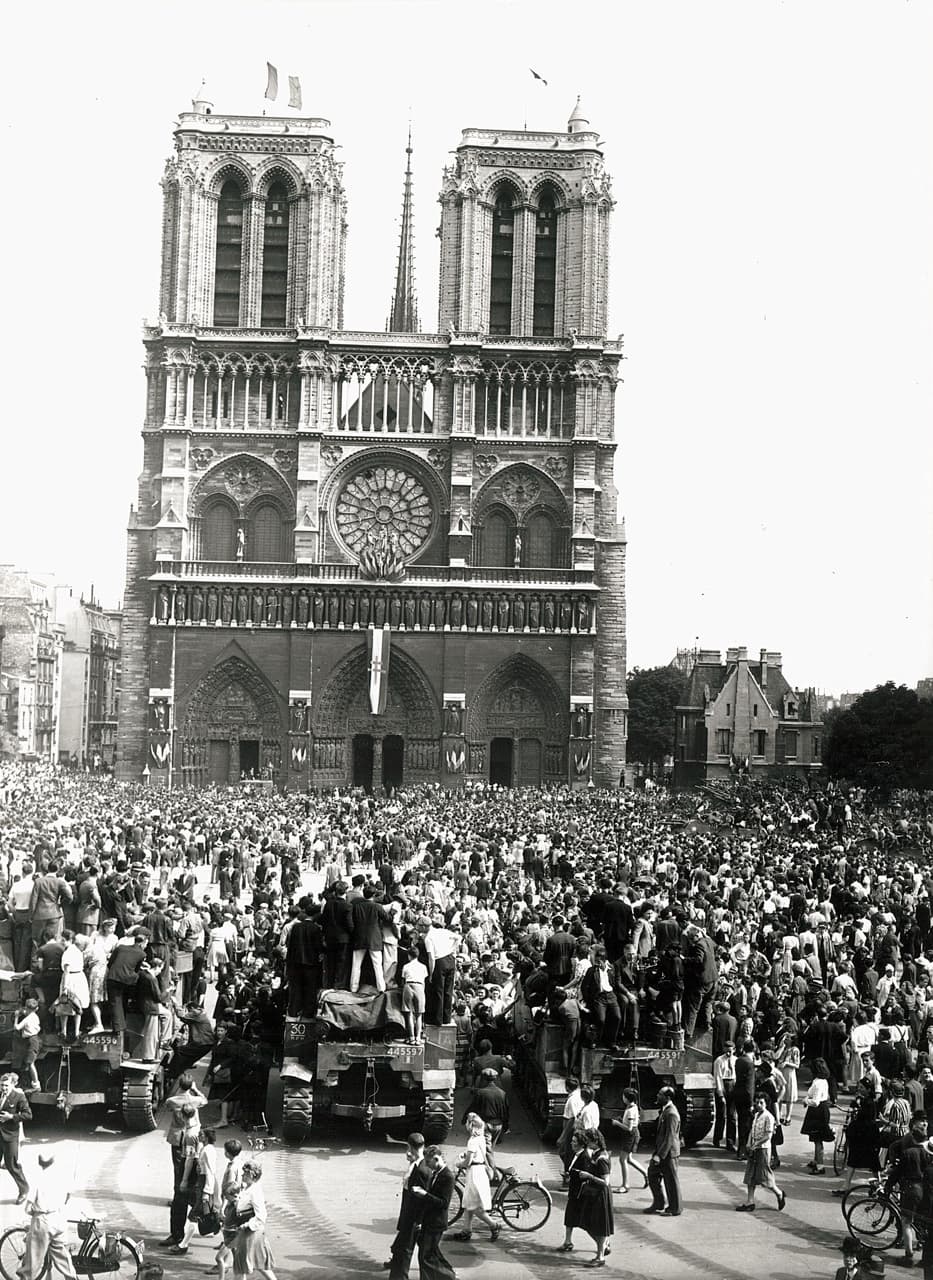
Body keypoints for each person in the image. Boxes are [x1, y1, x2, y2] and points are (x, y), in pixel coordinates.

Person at [557, 1127, 614, 1267]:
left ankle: (601, 1256)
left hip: (601, 1195)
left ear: (595, 1141)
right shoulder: (596, 1154)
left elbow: (606, 1182)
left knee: (598, 1226)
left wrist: (589, 1176)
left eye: (588, 1141)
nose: (587, 1144)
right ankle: (602, 1249)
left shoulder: (601, 1158)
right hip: (595, 1194)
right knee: (591, 1225)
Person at [17, 1151, 76, 1280]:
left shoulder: (38, 1178)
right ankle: (72, 1277)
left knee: (32, 1261)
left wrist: (33, 1211)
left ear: (41, 1164)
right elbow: (68, 1195)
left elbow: (28, 1208)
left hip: (43, 1220)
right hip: (59, 1219)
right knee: (62, 1257)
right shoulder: (63, 1175)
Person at [448, 1114, 500, 1244]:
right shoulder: (481, 1138)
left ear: (470, 1125)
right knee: (469, 1203)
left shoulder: (472, 1141)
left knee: (476, 1207)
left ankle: (494, 1225)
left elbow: (468, 1162)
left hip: (475, 1174)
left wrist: (459, 1164)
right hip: (480, 1171)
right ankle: (467, 1230)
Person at [385, 1132, 430, 1280]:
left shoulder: (422, 1170)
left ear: (410, 1147)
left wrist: (419, 1221)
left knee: (406, 1251)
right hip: (408, 1215)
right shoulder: (417, 1164)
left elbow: (422, 1199)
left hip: (413, 1218)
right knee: (402, 1247)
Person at [411, 1145, 456, 1280]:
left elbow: (443, 1203)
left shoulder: (447, 1176)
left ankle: (448, 1276)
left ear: (436, 1159)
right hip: (429, 1221)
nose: (428, 1166)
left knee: (425, 1257)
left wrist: (424, 1194)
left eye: (429, 1162)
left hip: (436, 1223)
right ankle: (449, 1275)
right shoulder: (436, 1173)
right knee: (432, 1254)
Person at [736, 1094, 786, 1212]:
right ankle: (750, 1202)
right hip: (754, 1149)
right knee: (750, 1176)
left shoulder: (769, 1117)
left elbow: (768, 1136)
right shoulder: (756, 1115)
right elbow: (751, 1131)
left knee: (764, 1177)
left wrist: (756, 1144)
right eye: (757, 1102)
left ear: (766, 1103)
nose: (758, 1105)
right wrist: (749, 1143)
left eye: (761, 1103)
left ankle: (779, 1194)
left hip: (763, 1149)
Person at [229, 1159, 277, 1280]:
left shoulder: (255, 1191)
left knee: (241, 1266)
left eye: (244, 1173)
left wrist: (247, 1225)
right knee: (258, 1265)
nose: (242, 1175)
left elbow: (261, 1215)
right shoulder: (248, 1188)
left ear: (251, 1175)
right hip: (249, 1232)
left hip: (250, 1233)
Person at [644, 1085, 682, 1216]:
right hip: (662, 1151)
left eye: (660, 1095)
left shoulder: (671, 1113)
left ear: (668, 1097)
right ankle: (659, 1202)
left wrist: (659, 1156)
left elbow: (670, 1137)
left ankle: (674, 1209)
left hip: (668, 1153)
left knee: (671, 1181)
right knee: (652, 1174)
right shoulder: (665, 1110)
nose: (657, 1096)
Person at [0, 1071, 31, 1204]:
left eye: (6, 1085)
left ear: (12, 1085)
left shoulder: (19, 1097)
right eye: (1, 1085)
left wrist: (11, 1117)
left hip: (10, 1136)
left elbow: (28, 1115)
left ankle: (24, 1190)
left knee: (11, 1165)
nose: (4, 1088)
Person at [610, 1087, 648, 1192]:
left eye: (623, 1096)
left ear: (627, 1098)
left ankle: (625, 1185)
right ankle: (646, 1174)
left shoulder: (631, 1110)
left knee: (622, 1159)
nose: (622, 1097)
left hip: (630, 1136)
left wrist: (617, 1123)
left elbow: (629, 1128)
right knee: (629, 1159)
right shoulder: (633, 1107)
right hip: (631, 1135)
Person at [801, 1058, 834, 1176]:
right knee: (816, 1138)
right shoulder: (822, 1081)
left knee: (818, 1139)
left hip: (818, 1112)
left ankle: (820, 1166)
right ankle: (816, 1160)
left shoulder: (818, 1083)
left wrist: (805, 1100)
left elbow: (815, 1102)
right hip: (820, 1111)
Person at [460, 1068, 509, 1147]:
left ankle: (488, 1159)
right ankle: (487, 1159)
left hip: (486, 1125)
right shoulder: (502, 1093)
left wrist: (464, 1119)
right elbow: (506, 1111)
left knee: (486, 1149)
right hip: (498, 1126)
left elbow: (473, 1107)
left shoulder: (480, 1093)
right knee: (489, 1148)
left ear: (483, 1079)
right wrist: (506, 1126)